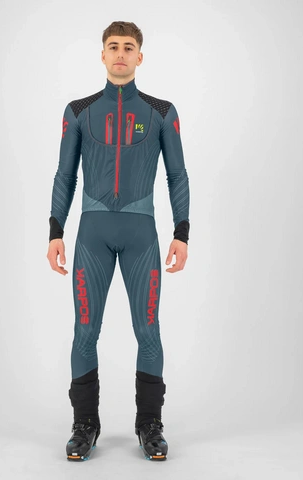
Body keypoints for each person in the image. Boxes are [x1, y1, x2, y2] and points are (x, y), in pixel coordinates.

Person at [47, 21, 190, 461]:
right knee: (84, 330)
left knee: (148, 330)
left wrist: (181, 233)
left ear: (140, 57)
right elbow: (65, 175)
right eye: (114, 46)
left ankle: (149, 424)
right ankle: (84, 424)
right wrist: (55, 231)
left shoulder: (162, 112)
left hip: (141, 236)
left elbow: (177, 175)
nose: (121, 54)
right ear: (103, 55)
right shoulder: (79, 110)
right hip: (91, 235)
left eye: (129, 47)